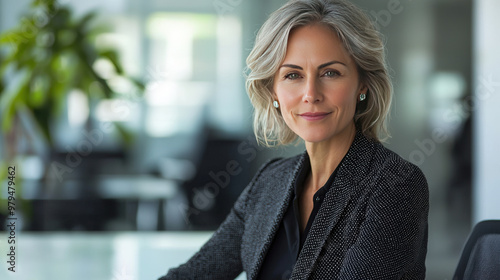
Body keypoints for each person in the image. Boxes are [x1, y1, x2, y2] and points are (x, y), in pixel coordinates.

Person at [159, 0, 429, 279]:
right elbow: (194, 274)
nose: (310, 93)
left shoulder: (395, 185)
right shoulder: (269, 182)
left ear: (362, 84)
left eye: (330, 73)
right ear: (273, 91)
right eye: (292, 75)